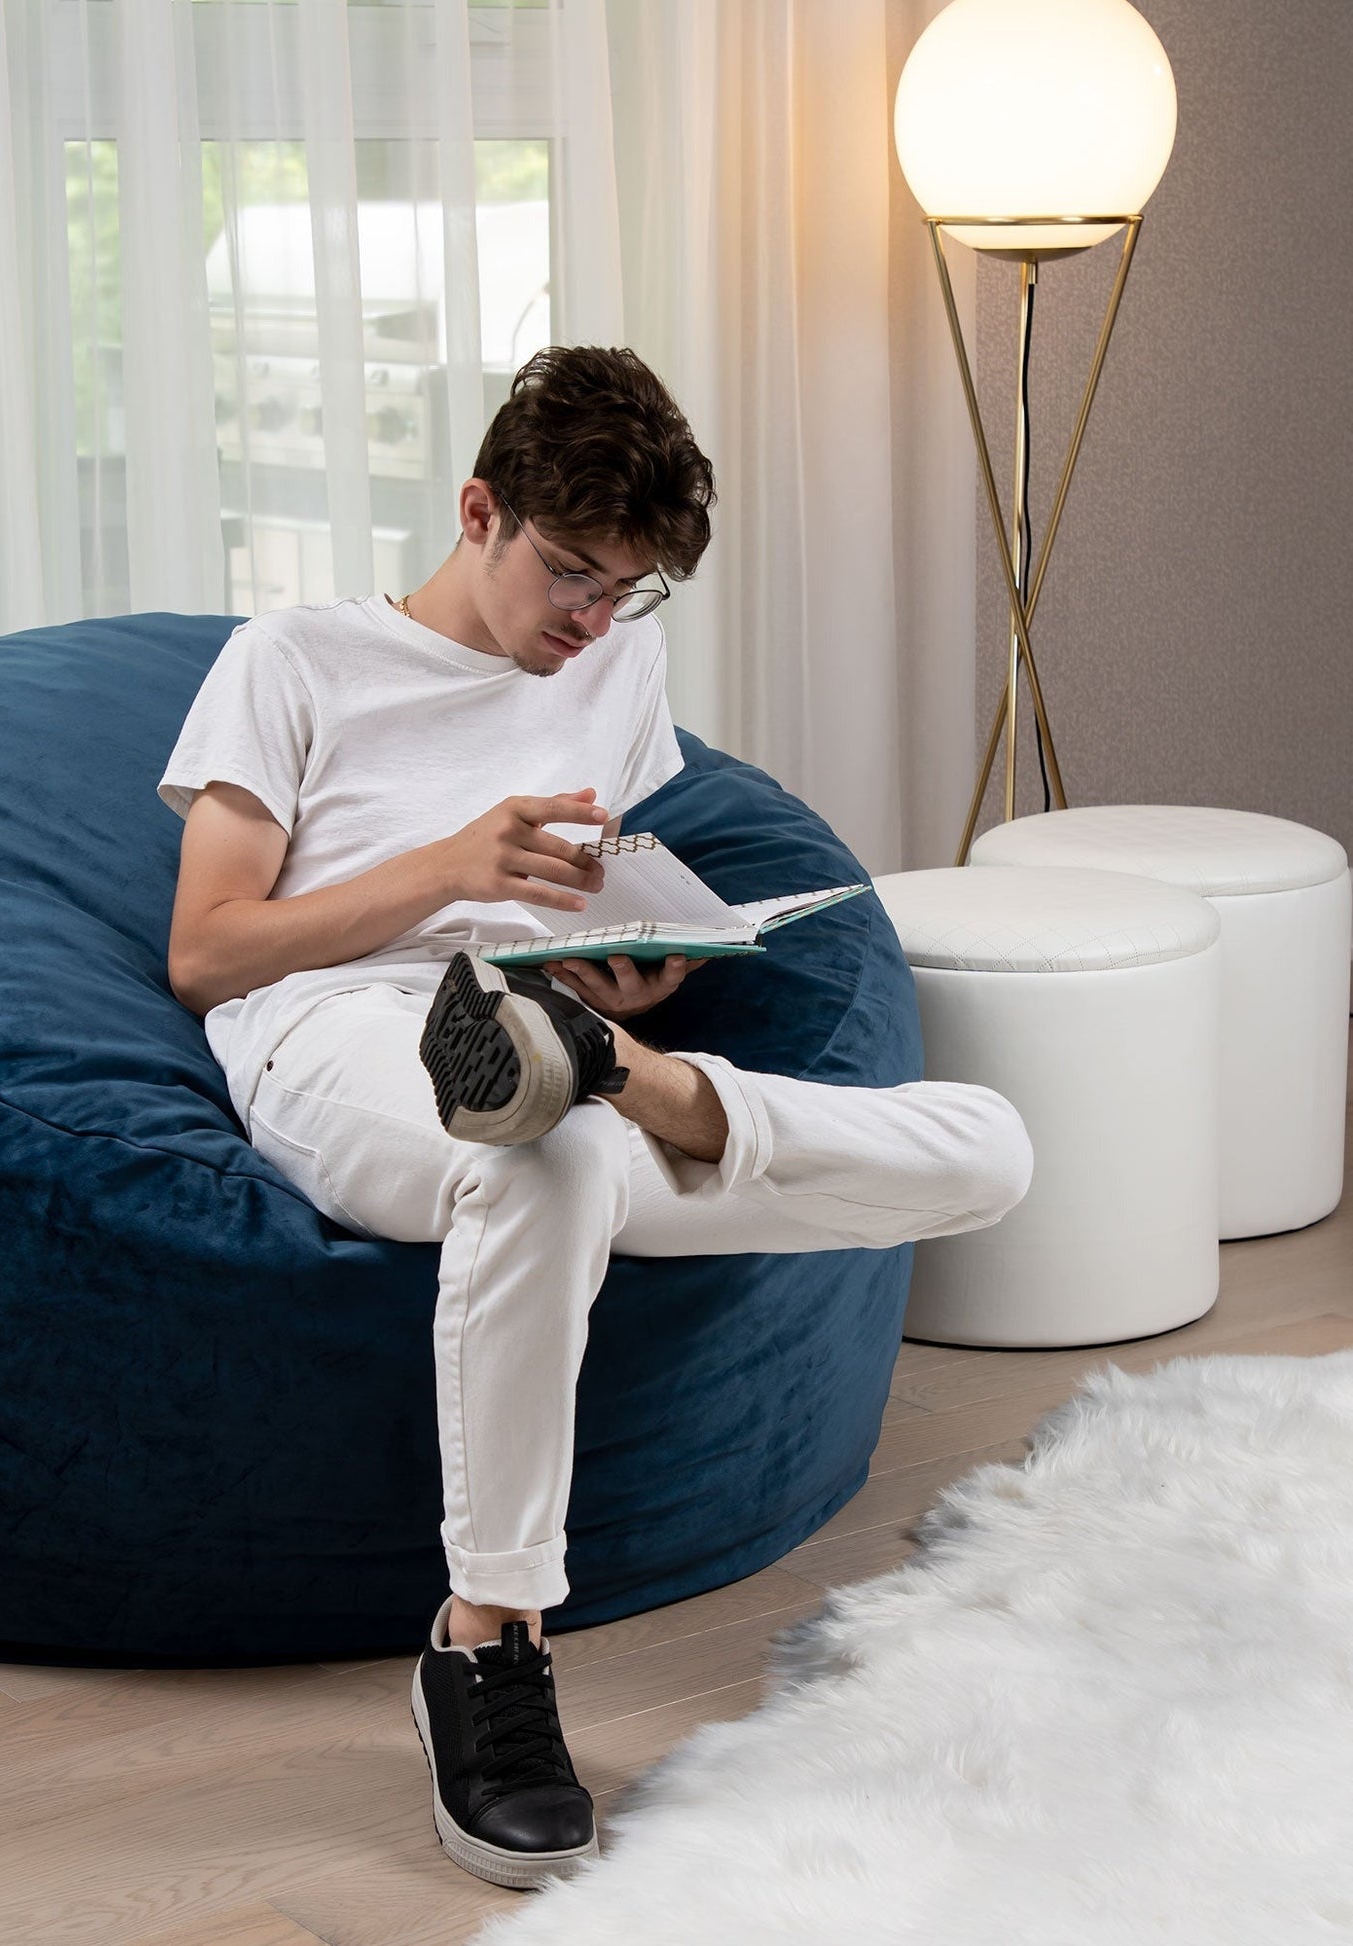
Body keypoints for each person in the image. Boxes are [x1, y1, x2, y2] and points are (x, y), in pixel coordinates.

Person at [157, 345, 1032, 1891]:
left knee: (988, 1146)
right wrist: (449, 867)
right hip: (335, 1025)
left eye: (626, 592)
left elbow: (589, 894)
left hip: (546, 1033)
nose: (589, 622)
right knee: (545, 1147)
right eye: (569, 575)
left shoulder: (613, 665)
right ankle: (488, 1639)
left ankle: (612, 1072)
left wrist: (623, 991)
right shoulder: (290, 657)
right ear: (478, 509)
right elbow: (207, 949)